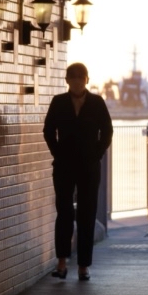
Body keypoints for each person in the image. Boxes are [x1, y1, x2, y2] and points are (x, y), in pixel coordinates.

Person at [43, 62, 113, 281]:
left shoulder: (97, 102)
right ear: (67, 81)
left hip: (89, 166)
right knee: (64, 212)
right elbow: (48, 130)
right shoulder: (58, 102)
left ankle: (84, 266)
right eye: (72, 79)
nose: (76, 82)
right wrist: (57, 153)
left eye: (80, 79)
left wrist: (97, 154)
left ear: (86, 80)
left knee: (87, 214)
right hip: (64, 166)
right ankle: (61, 262)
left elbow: (107, 131)